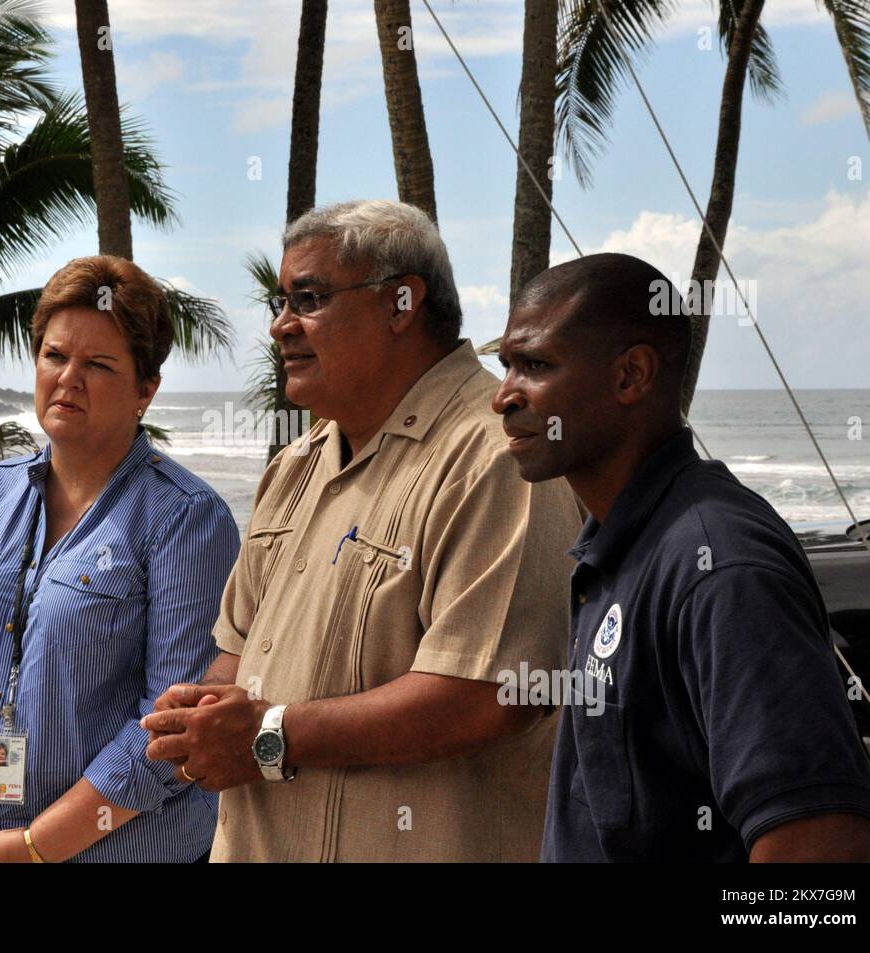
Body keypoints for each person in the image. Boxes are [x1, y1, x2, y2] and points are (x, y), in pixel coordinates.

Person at [141, 200, 582, 861]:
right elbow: (239, 653)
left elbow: (486, 696)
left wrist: (269, 734)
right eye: (281, 301)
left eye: (308, 298)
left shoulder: (499, 459)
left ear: (401, 303)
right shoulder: (294, 467)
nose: (280, 327)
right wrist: (202, 716)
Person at [492, 252, 870, 862]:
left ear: (632, 376)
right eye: (506, 366)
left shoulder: (719, 565)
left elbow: (819, 842)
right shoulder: (622, 546)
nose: (503, 397)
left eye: (535, 365)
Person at [0, 256, 240, 863]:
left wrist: (31, 848)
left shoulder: (186, 519)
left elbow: (172, 731)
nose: (68, 378)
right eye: (54, 356)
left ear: (145, 390)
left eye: (98, 365)